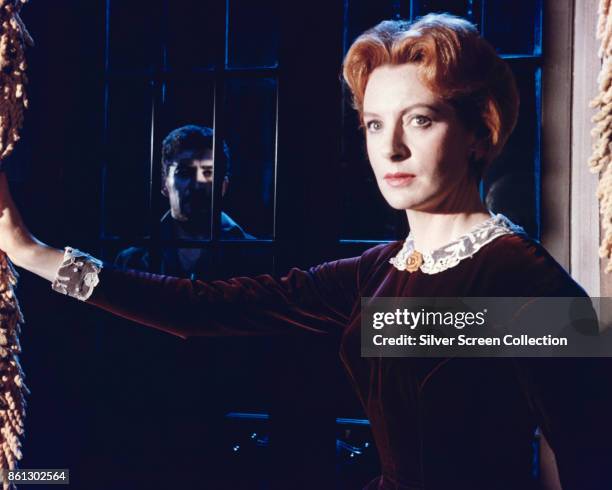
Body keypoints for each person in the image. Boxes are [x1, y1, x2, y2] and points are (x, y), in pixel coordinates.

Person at [0, 13, 611, 490]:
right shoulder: (375, 272)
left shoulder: (526, 284)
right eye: (374, 124)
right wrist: (31, 253)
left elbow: (595, 463)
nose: (391, 149)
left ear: (480, 131)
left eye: (419, 120)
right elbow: (200, 309)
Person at [116, 124, 255, 279]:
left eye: (208, 172)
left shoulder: (256, 255)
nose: (197, 185)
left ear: (223, 185)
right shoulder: (132, 261)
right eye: (183, 172)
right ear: (164, 184)